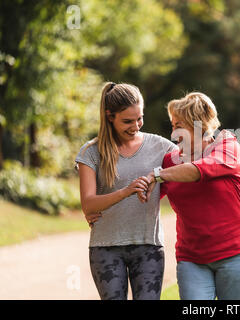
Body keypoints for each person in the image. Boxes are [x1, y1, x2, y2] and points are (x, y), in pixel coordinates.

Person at [139, 92, 240, 300]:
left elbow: (199, 170)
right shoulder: (169, 161)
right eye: (173, 125)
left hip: (235, 255)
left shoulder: (227, 145)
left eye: (179, 126)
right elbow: (148, 198)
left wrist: (158, 175)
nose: (173, 133)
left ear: (198, 125)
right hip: (191, 259)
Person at [75, 82, 176, 300]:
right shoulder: (91, 152)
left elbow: (190, 166)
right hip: (106, 248)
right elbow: (88, 203)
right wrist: (126, 191)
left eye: (140, 118)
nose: (136, 125)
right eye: (128, 121)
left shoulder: (161, 146)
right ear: (110, 116)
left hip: (148, 245)